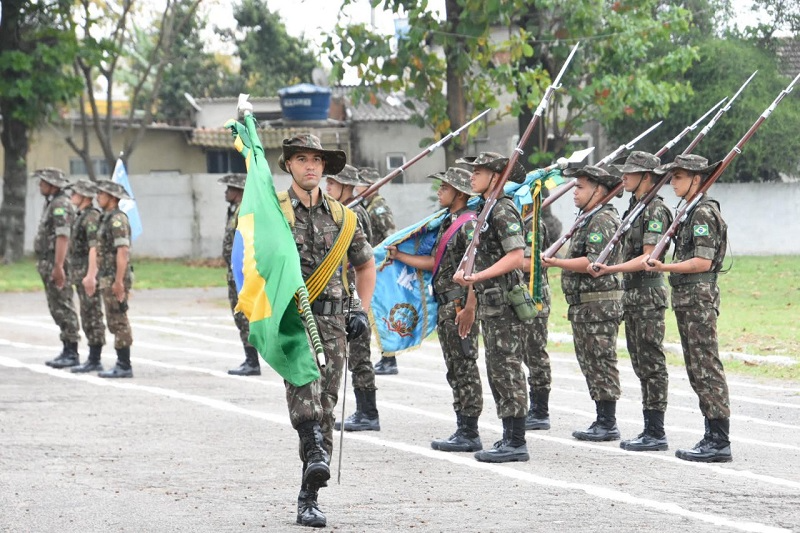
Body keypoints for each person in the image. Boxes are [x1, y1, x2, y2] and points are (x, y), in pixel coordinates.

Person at [277, 134, 375, 527]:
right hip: (292, 321)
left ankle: (309, 496)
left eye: (316, 160)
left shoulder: (344, 216)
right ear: (289, 166)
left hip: (334, 323)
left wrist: (360, 311)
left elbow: (365, 265)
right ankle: (314, 450)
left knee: (328, 405)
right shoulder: (275, 213)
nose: (310, 166)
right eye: (301, 159)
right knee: (305, 392)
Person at [387, 167, 483, 452]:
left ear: (460, 193)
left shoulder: (468, 224)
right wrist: (400, 256)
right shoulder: (447, 222)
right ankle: (462, 427)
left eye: (445, 187)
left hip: (458, 305)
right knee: (454, 368)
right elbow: (435, 262)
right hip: (445, 304)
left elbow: (477, 269)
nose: (439, 191)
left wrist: (469, 307)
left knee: (464, 366)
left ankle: (470, 431)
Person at [643, 153, 732, 463]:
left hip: (698, 297)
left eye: (678, 177)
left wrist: (664, 268)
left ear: (697, 179)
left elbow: (702, 262)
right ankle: (712, 433)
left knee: (705, 365)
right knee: (696, 367)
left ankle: (719, 439)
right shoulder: (690, 211)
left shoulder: (704, 214)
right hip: (688, 298)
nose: (672, 182)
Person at [589, 151, 672, 452]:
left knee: (651, 362)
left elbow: (648, 257)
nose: (623, 177)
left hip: (648, 292)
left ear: (646, 177)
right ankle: (649, 427)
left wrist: (611, 269)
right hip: (633, 294)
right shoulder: (636, 207)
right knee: (639, 361)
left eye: (631, 173)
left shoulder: (655, 210)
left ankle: (656, 430)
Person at [453, 151, 531, 463]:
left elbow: (516, 257)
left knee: (508, 369)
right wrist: (470, 290)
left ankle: (516, 441)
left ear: (496, 177)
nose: (472, 175)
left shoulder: (502, 210)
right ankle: (508, 436)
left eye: (479, 171)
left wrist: (478, 276)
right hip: (489, 302)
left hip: (505, 303)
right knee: (497, 369)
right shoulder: (485, 209)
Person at [541, 165, 624, 442]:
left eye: (580, 187)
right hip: (585, 305)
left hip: (599, 304)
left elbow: (593, 262)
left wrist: (555, 262)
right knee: (590, 361)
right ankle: (601, 417)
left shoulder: (601, 219)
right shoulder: (588, 217)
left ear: (598, 190)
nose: (574, 192)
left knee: (601, 360)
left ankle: (607, 421)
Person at [326, 164, 381, 432]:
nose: (328, 188)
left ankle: (367, 411)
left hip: (352, 292)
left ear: (347, 188)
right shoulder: (339, 212)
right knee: (351, 352)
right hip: (341, 291)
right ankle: (363, 409)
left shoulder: (354, 213)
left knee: (359, 351)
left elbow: (362, 255)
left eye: (333, 184)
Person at [83, 180, 134, 378]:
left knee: (119, 319)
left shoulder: (117, 220)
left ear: (112, 198)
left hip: (115, 276)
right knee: (113, 319)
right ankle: (121, 362)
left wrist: (119, 281)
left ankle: (124, 364)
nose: (97, 197)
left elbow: (123, 252)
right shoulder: (106, 218)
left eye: (101, 194)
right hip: (108, 276)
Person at [33, 168, 82, 369]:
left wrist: (59, 266)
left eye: (43, 182)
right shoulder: (52, 203)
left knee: (63, 305)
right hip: (48, 262)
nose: (40, 186)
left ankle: (72, 351)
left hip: (57, 263)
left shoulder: (60, 205)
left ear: (53, 185)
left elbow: (63, 237)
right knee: (56, 306)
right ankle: (66, 348)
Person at [218, 173, 261, 377]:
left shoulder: (245, 211)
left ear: (239, 191)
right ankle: (250, 358)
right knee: (239, 317)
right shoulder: (234, 210)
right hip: (234, 274)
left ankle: (253, 361)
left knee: (244, 316)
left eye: (230, 188)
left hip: (243, 274)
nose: (226, 192)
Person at [358, 167, 400, 376]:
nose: (357, 187)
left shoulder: (378, 207)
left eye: (361, 183)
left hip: (380, 265)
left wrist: (385, 260)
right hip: (371, 264)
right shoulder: (367, 205)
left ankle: (389, 359)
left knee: (382, 311)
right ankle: (386, 357)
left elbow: (390, 235)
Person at [66, 179, 107, 373]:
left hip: (87, 272)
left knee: (92, 314)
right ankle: (92, 357)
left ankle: (95, 358)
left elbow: (94, 248)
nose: (71, 196)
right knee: (86, 313)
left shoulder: (91, 217)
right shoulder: (80, 215)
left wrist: (91, 275)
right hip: (79, 272)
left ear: (84, 196)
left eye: (75, 193)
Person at [521, 216, 552, 431]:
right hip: (517, 296)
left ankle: (540, 410)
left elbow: (531, 262)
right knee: (522, 352)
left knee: (534, 352)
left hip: (534, 295)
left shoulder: (532, 223)